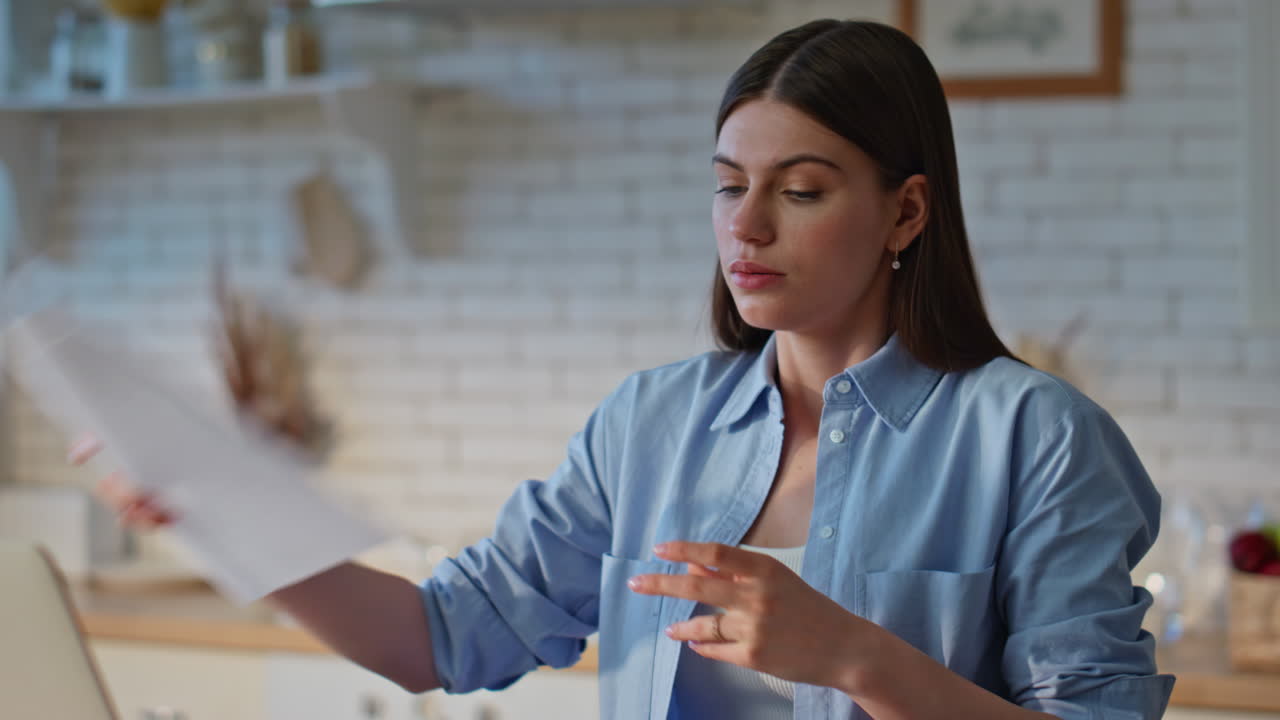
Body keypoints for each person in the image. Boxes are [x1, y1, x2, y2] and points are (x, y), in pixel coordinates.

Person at [76, 18, 1174, 720]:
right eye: (724, 183)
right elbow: (439, 640)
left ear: (905, 209)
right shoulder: (647, 423)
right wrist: (218, 518)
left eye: (797, 189)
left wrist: (851, 655)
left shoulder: (1033, 438)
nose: (744, 225)